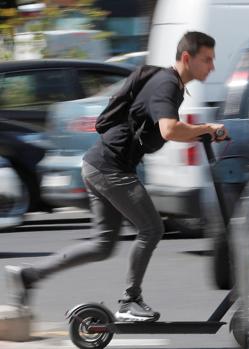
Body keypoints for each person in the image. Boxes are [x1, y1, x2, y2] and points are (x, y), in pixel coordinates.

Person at [4, 31, 228, 322]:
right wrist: (206, 128)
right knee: (152, 229)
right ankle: (129, 302)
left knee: (102, 245)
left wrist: (203, 134)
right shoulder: (167, 85)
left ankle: (28, 275)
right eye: (207, 59)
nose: (212, 66)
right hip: (111, 168)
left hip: (98, 165)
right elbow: (169, 130)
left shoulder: (166, 82)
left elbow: (165, 128)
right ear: (187, 58)